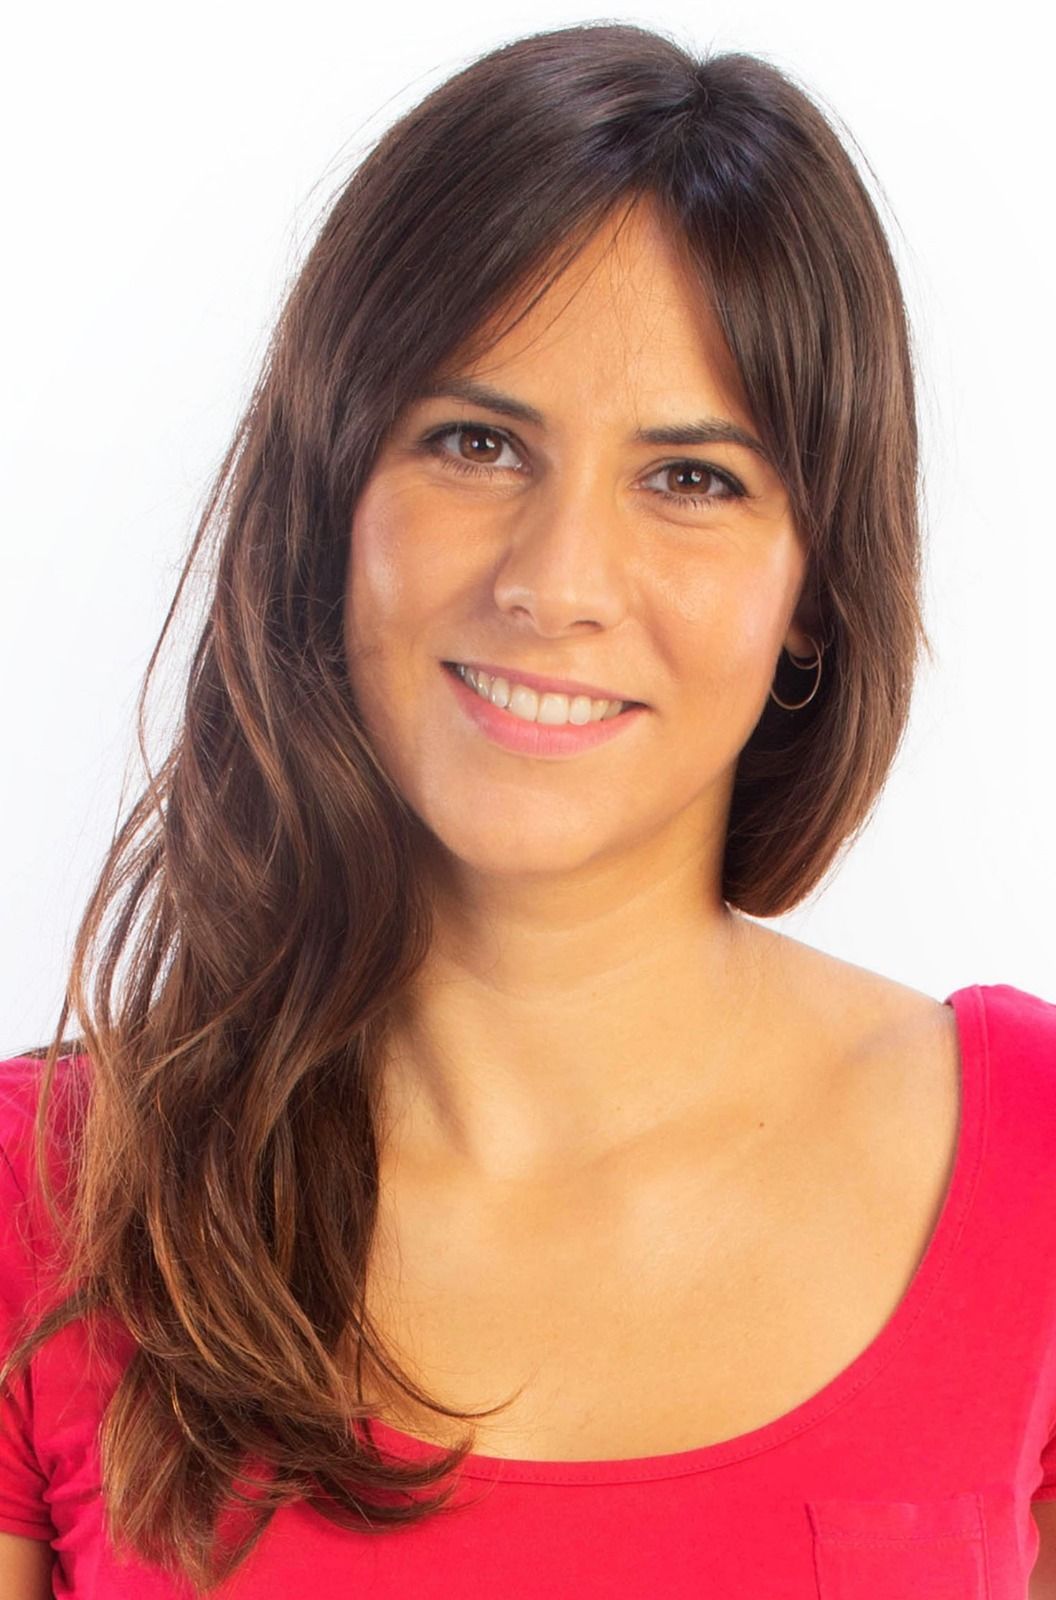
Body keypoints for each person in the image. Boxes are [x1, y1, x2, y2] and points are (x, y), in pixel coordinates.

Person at [2, 20, 1054, 1600]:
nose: (555, 584)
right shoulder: (47, 1197)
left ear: (815, 587)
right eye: (477, 443)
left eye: (692, 479)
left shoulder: (1034, 1163)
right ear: (331, 501)